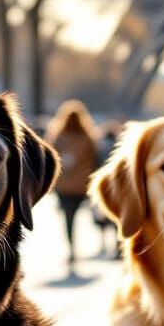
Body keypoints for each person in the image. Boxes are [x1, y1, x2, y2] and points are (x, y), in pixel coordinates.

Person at [45, 100, 99, 275]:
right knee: (76, 216)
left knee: (68, 219)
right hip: (81, 186)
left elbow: (49, 159)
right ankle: (77, 247)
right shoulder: (89, 137)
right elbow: (95, 162)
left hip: (63, 186)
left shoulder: (58, 137)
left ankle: (71, 249)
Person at [92, 119, 123, 258]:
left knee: (101, 220)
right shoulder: (120, 148)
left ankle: (102, 245)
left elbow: (93, 165)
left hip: (100, 187)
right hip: (117, 188)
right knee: (116, 219)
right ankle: (118, 248)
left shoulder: (98, 147)